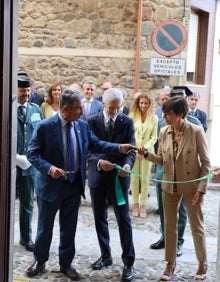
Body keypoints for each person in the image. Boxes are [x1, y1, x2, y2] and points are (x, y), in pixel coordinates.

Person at [25, 87, 134, 280]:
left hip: (73, 187)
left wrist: (119, 147)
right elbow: (32, 154)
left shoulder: (82, 126)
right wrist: (50, 169)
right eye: (79, 108)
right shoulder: (44, 127)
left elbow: (98, 144)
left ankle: (65, 264)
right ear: (66, 109)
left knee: (69, 228)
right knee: (45, 227)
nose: (83, 112)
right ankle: (39, 261)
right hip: (50, 186)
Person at [138, 96, 210, 281]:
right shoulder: (163, 131)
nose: (165, 117)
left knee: (197, 226)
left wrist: (201, 190)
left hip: (191, 186)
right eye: (164, 113)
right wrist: (146, 154)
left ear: (180, 114)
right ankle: (170, 264)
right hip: (168, 185)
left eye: (168, 114)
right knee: (169, 227)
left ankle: (202, 263)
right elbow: (161, 159)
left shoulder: (196, 131)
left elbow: (206, 164)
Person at [87, 88, 135, 281]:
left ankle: (128, 262)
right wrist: (99, 162)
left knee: (123, 219)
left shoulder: (127, 121)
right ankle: (105, 255)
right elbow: (87, 150)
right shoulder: (90, 121)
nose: (116, 111)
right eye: (112, 108)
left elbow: (131, 150)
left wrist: (127, 165)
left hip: (119, 178)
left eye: (119, 107)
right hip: (98, 177)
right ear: (104, 104)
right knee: (100, 218)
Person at [16, 75, 44, 252]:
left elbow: (40, 138)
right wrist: (15, 157)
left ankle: (26, 238)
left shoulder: (36, 110)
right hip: (10, 165)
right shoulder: (7, 108)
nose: (26, 94)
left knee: (28, 203)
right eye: (22, 90)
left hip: (29, 166)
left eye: (28, 90)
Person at [129, 93, 158, 218]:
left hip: (147, 152)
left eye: (146, 103)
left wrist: (144, 149)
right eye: (141, 103)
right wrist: (136, 149)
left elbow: (154, 137)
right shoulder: (131, 116)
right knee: (134, 179)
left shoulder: (154, 118)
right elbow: (129, 134)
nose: (143, 105)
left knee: (145, 179)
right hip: (134, 151)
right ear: (138, 103)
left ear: (149, 104)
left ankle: (143, 205)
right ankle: (135, 204)